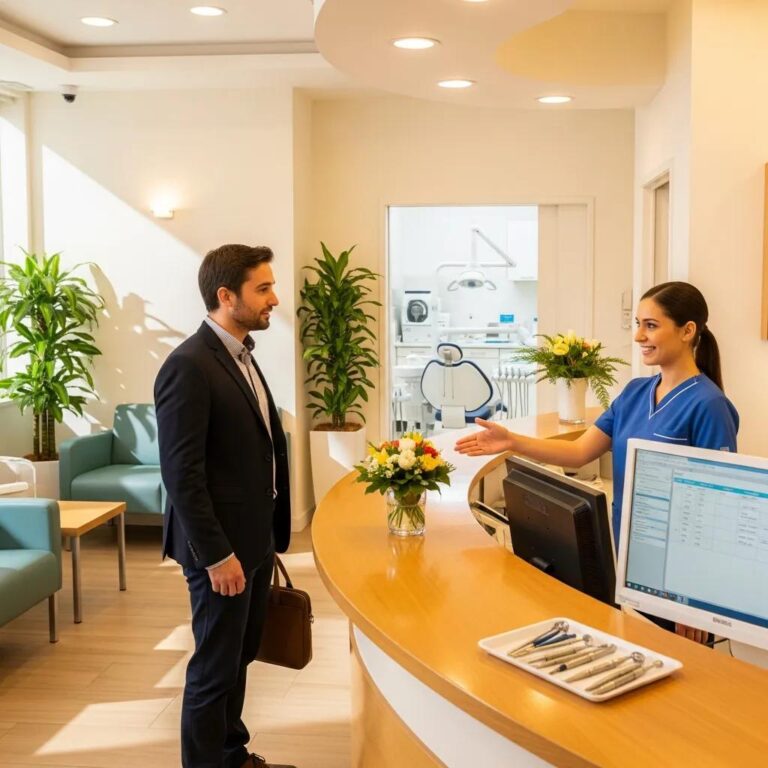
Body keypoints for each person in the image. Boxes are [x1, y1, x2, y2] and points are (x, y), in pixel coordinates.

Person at [455, 281, 739, 644]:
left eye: (651, 325)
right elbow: (579, 452)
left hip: (677, 576)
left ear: (687, 331)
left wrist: (697, 600)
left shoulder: (708, 405)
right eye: (637, 323)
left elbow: (717, 510)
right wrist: (511, 442)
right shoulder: (636, 392)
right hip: (628, 558)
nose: (639, 336)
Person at [155, 244, 295, 768]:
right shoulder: (188, 365)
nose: (274, 299)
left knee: (238, 658)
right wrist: (216, 555)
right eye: (263, 288)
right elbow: (181, 474)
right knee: (214, 668)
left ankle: (231, 755)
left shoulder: (241, 354)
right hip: (219, 551)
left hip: (253, 541)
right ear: (225, 295)